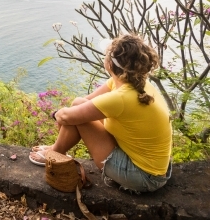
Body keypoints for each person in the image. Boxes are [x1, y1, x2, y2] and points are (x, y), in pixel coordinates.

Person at [29, 34, 172, 193]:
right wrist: (70, 112)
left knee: (77, 117)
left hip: (144, 177)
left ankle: (55, 152)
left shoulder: (121, 97)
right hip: (154, 168)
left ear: (109, 64)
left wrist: (57, 113)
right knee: (78, 106)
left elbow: (66, 116)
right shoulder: (134, 83)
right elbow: (83, 102)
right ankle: (56, 149)